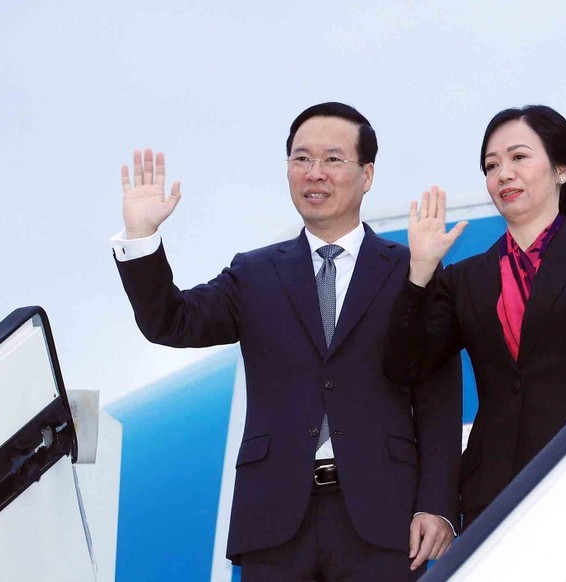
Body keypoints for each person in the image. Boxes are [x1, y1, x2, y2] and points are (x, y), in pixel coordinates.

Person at [111, 102, 462, 580]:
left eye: (333, 159)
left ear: (367, 173)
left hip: (385, 519)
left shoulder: (413, 267)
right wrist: (141, 236)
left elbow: (438, 396)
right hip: (275, 522)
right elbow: (171, 322)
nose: (314, 173)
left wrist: (438, 506)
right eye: (301, 159)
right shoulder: (255, 272)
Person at [384, 104, 566, 529]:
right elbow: (405, 365)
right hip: (491, 494)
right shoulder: (466, 278)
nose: (503, 173)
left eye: (519, 157)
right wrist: (421, 270)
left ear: (561, 169)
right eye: (492, 165)